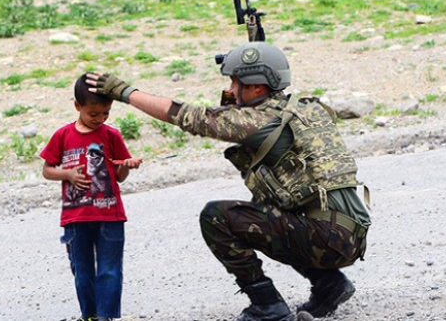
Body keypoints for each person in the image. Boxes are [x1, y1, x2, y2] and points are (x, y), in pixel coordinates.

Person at [85, 41, 371, 321]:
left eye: (236, 83)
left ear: (257, 87)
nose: (230, 90)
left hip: (326, 238)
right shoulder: (300, 109)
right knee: (264, 207)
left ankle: (267, 305)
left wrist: (124, 92)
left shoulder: (258, 121)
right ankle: (329, 285)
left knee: (217, 217)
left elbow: (188, 117)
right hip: (349, 233)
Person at [40, 74, 142, 321]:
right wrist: (67, 174)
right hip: (75, 217)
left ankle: (106, 316)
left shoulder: (111, 136)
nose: (100, 119)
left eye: (105, 113)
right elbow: (47, 170)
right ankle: (90, 315)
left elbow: (119, 176)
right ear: (78, 106)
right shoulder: (63, 136)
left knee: (110, 270)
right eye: (93, 114)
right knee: (82, 270)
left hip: (110, 215)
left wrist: (126, 165)